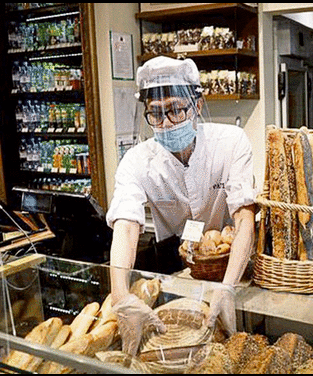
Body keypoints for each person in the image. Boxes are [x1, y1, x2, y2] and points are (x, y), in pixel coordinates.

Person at [106, 56, 256, 356]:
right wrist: (121, 296)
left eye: (176, 110)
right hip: (178, 273)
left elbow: (245, 217)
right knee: (177, 350)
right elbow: (125, 227)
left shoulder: (230, 142)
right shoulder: (137, 161)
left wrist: (227, 288)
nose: (166, 123)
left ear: (197, 107)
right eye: (156, 114)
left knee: (233, 348)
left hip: (233, 267)